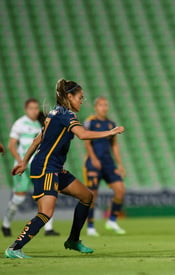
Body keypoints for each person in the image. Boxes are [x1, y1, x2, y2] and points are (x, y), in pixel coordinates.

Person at [4, 79, 124, 259]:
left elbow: (38, 139)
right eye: (80, 97)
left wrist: (24, 162)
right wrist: (110, 132)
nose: (82, 101)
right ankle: (14, 248)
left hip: (53, 167)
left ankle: (73, 240)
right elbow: (83, 135)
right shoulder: (66, 115)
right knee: (45, 213)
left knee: (87, 196)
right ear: (69, 96)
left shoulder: (54, 113)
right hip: (46, 167)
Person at [2, 99, 59, 237]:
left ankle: (49, 229)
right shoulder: (19, 124)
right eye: (31, 108)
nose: (34, 111)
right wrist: (21, 161)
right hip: (24, 166)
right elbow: (11, 145)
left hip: (39, 166)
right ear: (26, 109)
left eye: (35, 108)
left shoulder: (42, 122)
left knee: (46, 195)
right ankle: (6, 224)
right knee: (19, 198)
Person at [83, 96, 126, 236]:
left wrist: (119, 164)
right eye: (101, 105)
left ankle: (112, 220)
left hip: (108, 163)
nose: (104, 107)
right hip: (93, 163)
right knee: (92, 195)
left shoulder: (110, 124)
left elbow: (114, 145)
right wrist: (93, 158)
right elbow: (87, 142)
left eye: (106, 105)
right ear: (96, 107)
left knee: (120, 190)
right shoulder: (90, 122)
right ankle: (90, 226)